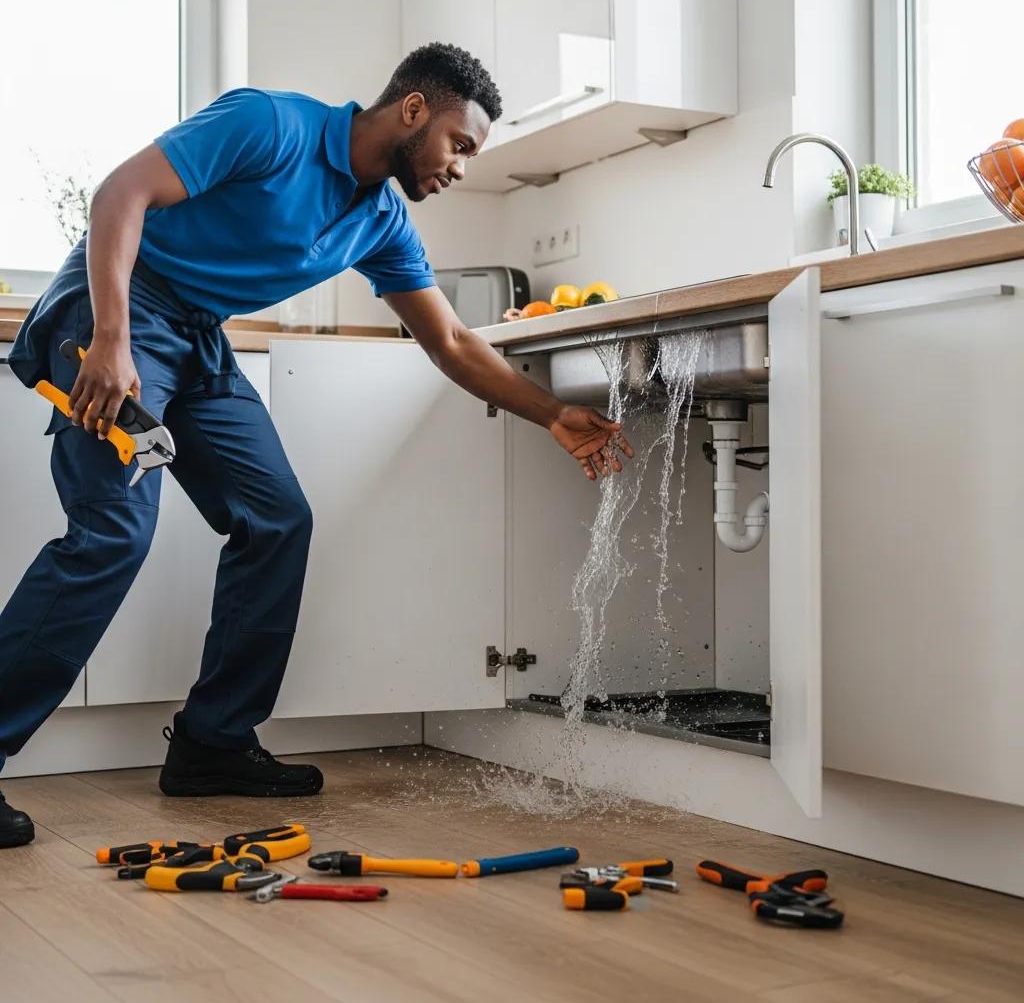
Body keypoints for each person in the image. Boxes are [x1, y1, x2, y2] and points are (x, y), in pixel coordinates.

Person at [0, 43, 632, 848]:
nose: (461, 167)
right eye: (459, 144)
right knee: (114, 530)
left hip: (197, 342)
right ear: (412, 111)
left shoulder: (380, 219)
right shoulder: (271, 125)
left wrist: (551, 413)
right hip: (120, 313)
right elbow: (120, 194)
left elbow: (452, 343)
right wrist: (112, 338)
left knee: (277, 518)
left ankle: (213, 744)